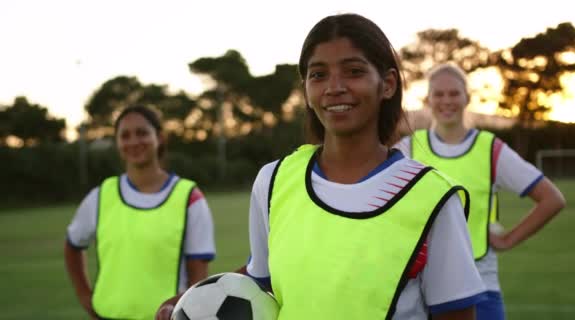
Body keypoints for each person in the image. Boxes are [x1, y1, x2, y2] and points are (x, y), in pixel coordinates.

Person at [156, 13, 486, 320]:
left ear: (387, 84)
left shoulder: (431, 197)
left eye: (354, 71)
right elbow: (261, 278)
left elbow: (455, 313)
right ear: (306, 89)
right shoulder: (273, 180)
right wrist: (191, 301)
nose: (334, 87)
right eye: (318, 74)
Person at [394, 63, 566, 320]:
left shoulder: (489, 148)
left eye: (454, 93)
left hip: (480, 283)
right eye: (438, 94)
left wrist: (508, 239)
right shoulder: (409, 149)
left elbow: (552, 199)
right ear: (427, 100)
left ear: (467, 98)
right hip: (421, 289)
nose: (446, 101)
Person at [64, 105, 216, 320]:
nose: (134, 141)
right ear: (117, 143)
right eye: (125, 135)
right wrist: (84, 295)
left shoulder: (189, 197)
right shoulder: (100, 195)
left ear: (160, 138)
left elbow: (197, 277)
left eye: (142, 133)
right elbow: (72, 245)